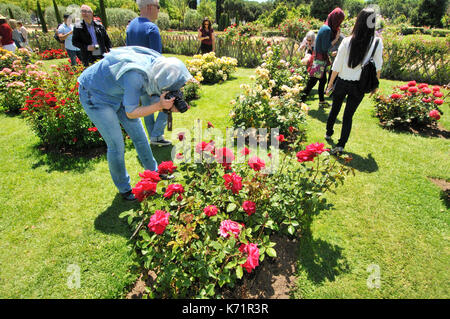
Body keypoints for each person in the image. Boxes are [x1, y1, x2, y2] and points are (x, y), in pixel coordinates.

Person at [77, 46, 192, 200]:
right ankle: (125, 188)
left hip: (118, 93)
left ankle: (153, 173)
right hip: (95, 95)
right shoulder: (135, 75)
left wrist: (169, 108)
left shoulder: (156, 67)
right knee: (116, 145)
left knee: (140, 136)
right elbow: (131, 113)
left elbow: (149, 100)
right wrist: (159, 106)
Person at [325, 8, 383, 154]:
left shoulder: (347, 41)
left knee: (335, 108)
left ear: (358, 21)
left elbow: (337, 65)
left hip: (343, 81)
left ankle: (329, 132)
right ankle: (341, 144)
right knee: (348, 115)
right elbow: (378, 66)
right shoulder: (376, 42)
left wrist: (330, 83)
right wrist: (375, 85)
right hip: (360, 85)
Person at [126, 0, 171, 147]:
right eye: (158, 7)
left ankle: (153, 138)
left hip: (135, 75)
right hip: (150, 77)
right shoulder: (151, 28)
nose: (159, 10)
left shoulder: (131, 26)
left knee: (147, 107)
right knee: (168, 103)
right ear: (150, 7)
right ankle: (156, 135)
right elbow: (156, 59)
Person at [300, 8, 345, 108]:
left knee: (323, 81)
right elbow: (325, 47)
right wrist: (336, 39)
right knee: (311, 83)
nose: (339, 24)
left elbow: (322, 46)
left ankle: (321, 101)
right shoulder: (327, 30)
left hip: (320, 59)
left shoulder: (325, 27)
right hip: (319, 61)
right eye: (339, 21)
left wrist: (330, 52)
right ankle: (300, 101)